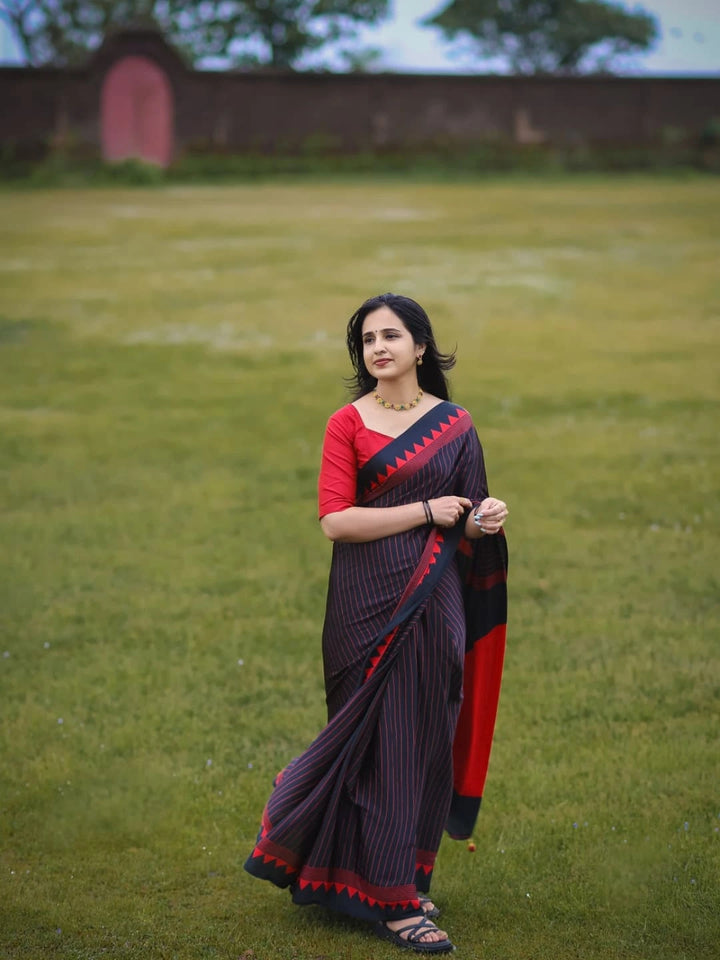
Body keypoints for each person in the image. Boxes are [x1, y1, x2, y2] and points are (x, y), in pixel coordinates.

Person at [245, 293, 509, 953]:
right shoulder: (348, 424)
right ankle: (394, 905)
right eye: (367, 340)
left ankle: (398, 879)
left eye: (392, 335)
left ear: (421, 346)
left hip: (435, 600)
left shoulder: (455, 424)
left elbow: (467, 517)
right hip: (364, 604)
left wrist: (484, 519)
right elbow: (336, 520)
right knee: (377, 742)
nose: (379, 348)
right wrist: (428, 511)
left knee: (423, 739)